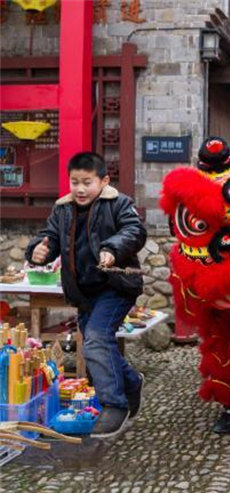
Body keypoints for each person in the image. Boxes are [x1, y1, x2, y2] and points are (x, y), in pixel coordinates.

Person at [26, 152, 147, 438]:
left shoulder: (118, 203)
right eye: (75, 182)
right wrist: (38, 251)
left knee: (94, 339)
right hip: (83, 292)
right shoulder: (62, 209)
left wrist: (111, 249)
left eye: (87, 182)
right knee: (97, 343)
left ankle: (114, 405)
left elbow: (135, 231)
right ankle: (131, 382)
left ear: (103, 181)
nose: (80, 189)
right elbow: (49, 238)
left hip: (115, 286)